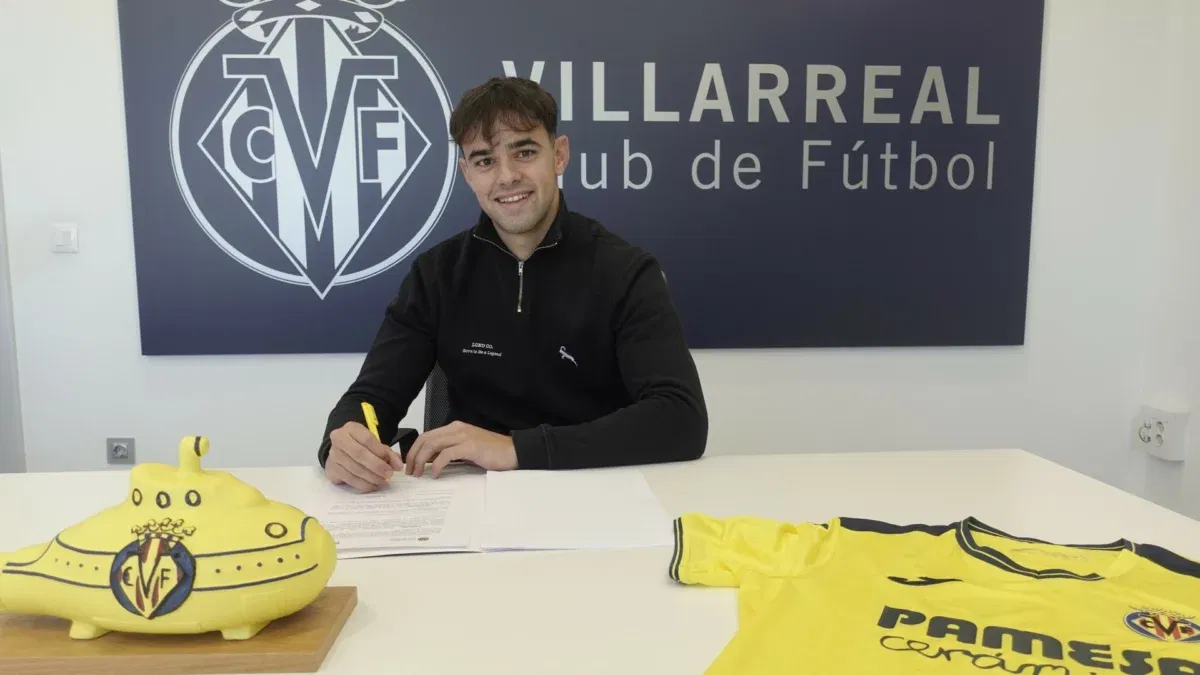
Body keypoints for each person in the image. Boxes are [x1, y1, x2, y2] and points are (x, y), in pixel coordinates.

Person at [316, 76, 708, 492]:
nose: (506, 177)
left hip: (594, 492)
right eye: (484, 160)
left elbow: (681, 419)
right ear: (467, 173)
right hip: (469, 498)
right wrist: (341, 443)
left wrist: (516, 449)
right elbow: (372, 397)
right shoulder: (436, 275)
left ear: (559, 155)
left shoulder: (625, 271)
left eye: (524, 152)